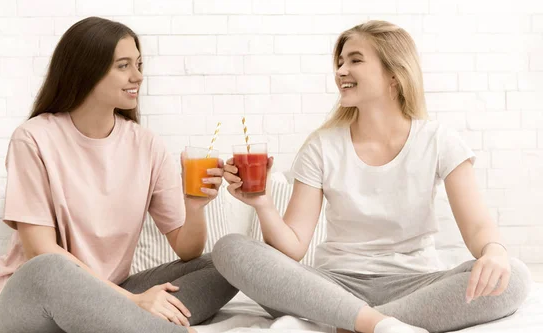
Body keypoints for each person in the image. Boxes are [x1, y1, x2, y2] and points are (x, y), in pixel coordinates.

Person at [213, 20, 532, 333]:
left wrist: (494, 251)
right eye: (339, 62)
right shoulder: (322, 146)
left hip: (415, 286)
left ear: (394, 74)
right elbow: (294, 247)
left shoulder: (438, 141)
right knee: (230, 249)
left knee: (513, 276)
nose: (340, 71)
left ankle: (348, 323)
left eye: (355, 60)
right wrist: (263, 204)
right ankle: (373, 324)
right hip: (332, 285)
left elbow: (478, 226)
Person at [0, 16, 237, 333]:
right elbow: (39, 250)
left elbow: (187, 250)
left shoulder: (147, 145)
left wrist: (195, 205)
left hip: (111, 296)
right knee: (50, 267)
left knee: (226, 262)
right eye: (123, 65)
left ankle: (115, 322)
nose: (138, 76)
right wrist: (134, 302)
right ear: (86, 69)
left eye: (139, 64)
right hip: (35, 303)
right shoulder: (33, 138)